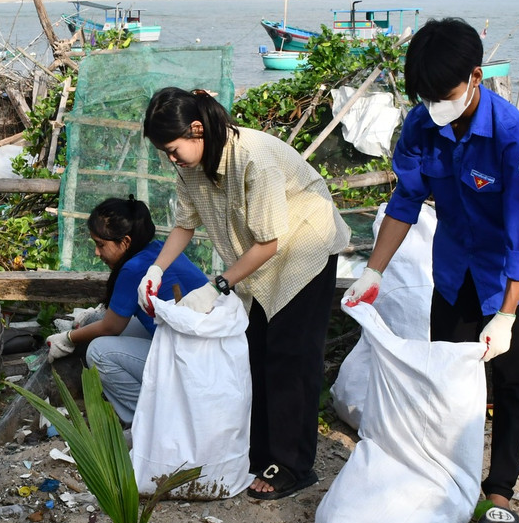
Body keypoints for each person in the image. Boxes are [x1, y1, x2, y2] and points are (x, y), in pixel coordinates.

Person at [345, 17, 519, 523]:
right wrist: (374, 270)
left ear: (476, 77)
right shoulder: (421, 126)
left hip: (514, 278)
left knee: (512, 385)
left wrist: (506, 315)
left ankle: (500, 491)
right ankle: (445, 477)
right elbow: (406, 200)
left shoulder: (511, 135)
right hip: (456, 273)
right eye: (427, 95)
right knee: (447, 380)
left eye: (446, 93)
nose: (437, 105)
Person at [140, 88, 351, 500]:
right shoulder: (190, 166)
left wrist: (217, 286)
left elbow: (270, 242)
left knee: (291, 358)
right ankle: (259, 452)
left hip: (303, 248)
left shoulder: (253, 156)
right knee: (254, 352)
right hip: (256, 260)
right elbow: (185, 223)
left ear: (196, 130)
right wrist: (155, 268)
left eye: (172, 148)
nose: (171, 158)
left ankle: (293, 465)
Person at [44, 196, 209, 426]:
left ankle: (148, 420)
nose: (96, 253)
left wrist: (68, 339)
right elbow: (112, 319)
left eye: (101, 244)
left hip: (190, 362)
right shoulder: (159, 250)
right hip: (203, 350)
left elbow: (112, 326)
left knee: (98, 351)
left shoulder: (133, 268)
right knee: (101, 322)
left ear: (125, 242)